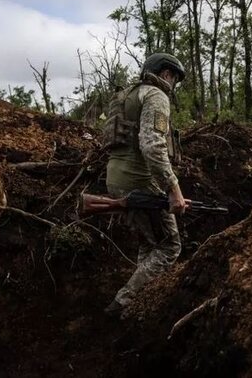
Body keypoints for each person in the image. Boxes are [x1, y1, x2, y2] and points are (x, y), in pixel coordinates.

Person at [102, 52, 187, 316]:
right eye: (174, 79)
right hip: (139, 181)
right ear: (166, 74)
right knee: (170, 245)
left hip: (116, 178)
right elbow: (152, 145)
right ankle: (125, 302)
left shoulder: (128, 94)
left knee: (149, 244)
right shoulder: (155, 96)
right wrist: (174, 189)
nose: (173, 86)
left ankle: (144, 302)